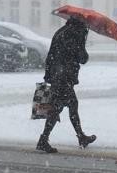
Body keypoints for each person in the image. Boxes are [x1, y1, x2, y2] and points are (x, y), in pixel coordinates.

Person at [37, 16, 95, 154]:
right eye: (86, 25)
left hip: (57, 75)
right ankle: (45, 140)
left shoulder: (62, 31)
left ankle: (46, 139)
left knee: (61, 107)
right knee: (67, 106)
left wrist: (49, 75)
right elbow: (82, 58)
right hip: (64, 77)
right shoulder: (76, 34)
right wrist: (83, 46)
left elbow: (51, 54)